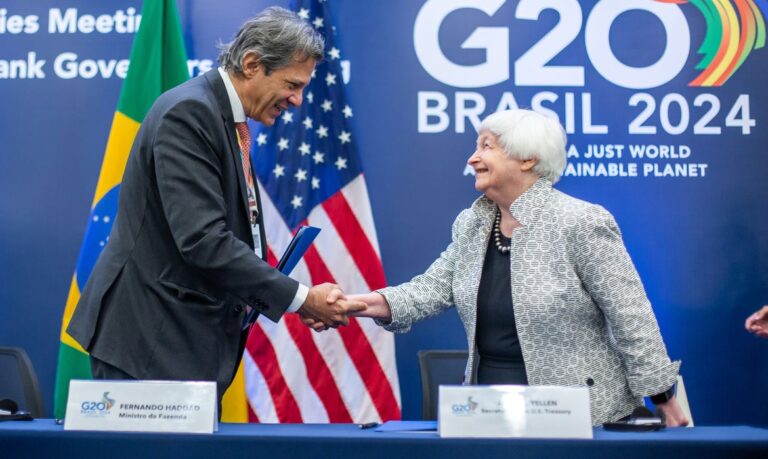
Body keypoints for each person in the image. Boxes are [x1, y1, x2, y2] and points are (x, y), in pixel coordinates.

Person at [67, 7, 364, 403]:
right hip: (150, 343)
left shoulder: (222, 117)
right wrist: (301, 298)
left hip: (181, 342)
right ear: (252, 64)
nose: (297, 100)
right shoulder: (190, 114)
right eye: (293, 84)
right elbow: (204, 241)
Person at [327, 109, 688, 426]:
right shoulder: (472, 224)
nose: (472, 158)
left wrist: (662, 399)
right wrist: (360, 304)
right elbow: (430, 290)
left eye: (486, 146)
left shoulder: (581, 221)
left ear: (528, 159)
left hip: (580, 418)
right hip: (488, 411)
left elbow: (631, 317)